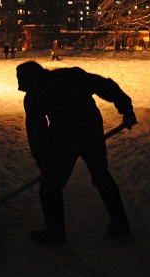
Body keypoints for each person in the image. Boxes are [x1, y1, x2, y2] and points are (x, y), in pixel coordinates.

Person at [16, 61, 137, 246]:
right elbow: (105, 86)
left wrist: (43, 160)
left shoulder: (34, 94)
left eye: (22, 81)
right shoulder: (71, 75)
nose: (21, 86)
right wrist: (126, 109)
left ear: (29, 79)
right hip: (91, 128)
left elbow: (37, 130)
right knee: (101, 174)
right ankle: (121, 226)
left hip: (63, 136)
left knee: (50, 185)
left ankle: (55, 234)